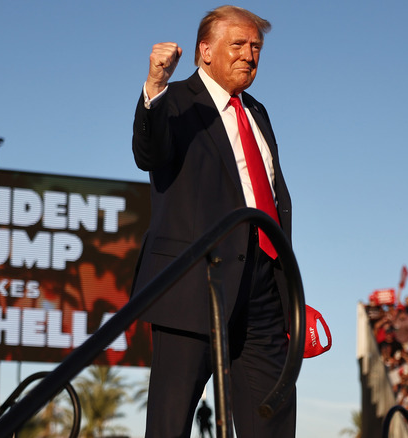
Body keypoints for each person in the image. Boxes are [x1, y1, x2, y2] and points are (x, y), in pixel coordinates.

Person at [131, 5, 296, 437]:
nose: (249, 54)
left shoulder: (257, 111)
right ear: (205, 51)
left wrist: (287, 287)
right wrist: (155, 85)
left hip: (264, 293)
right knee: (171, 423)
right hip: (194, 283)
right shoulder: (176, 101)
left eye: (256, 46)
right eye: (238, 44)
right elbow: (148, 153)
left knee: (271, 422)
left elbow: (276, 197)